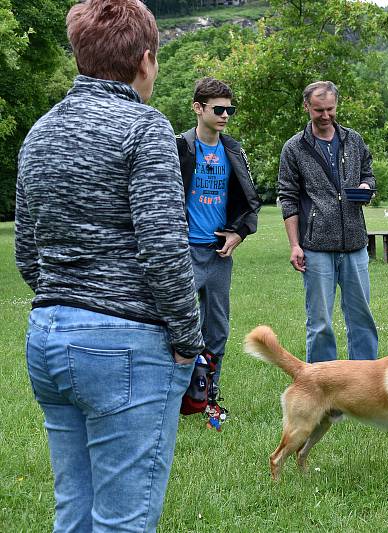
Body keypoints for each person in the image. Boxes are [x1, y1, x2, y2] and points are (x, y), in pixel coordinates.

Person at [14, 1, 203, 530]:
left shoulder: (39, 132)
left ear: (79, 54)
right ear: (146, 60)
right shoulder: (145, 128)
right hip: (124, 346)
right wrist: (190, 339)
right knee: (124, 520)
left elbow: (28, 252)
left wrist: (68, 297)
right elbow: (165, 249)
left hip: (48, 336)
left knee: (73, 510)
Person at [176, 77, 261, 420]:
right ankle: (174, 397)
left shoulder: (233, 150)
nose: (226, 115)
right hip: (182, 253)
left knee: (217, 329)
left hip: (218, 253)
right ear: (198, 108)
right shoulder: (179, 147)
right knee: (178, 326)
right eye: (218, 109)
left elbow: (250, 202)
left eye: (230, 109)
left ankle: (207, 397)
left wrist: (238, 233)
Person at [277, 81, 378, 362]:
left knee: (362, 319)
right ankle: (322, 389)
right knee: (320, 323)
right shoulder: (294, 148)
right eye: (318, 110)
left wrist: (367, 187)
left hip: (356, 244)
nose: (325, 116)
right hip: (316, 247)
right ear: (307, 107)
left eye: (330, 109)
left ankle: (365, 385)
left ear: (337, 106)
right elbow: (288, 198)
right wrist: (295, 245)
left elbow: (369, 175)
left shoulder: (353, 140)